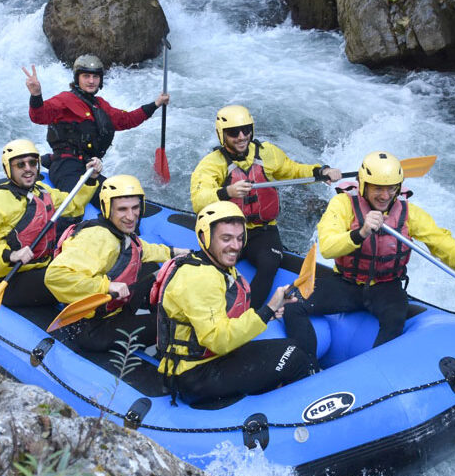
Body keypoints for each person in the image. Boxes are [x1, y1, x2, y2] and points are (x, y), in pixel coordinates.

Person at [284, 151, 455, 359]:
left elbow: (447, 247)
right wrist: (361, 232)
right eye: (378, 188)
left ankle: (375, 378)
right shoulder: (343, 204)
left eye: (391, 188)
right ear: (363, 185)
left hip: (386, 288)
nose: (385, 195)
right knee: (293, 303)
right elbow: (328, 247)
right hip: (346, 283)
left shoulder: (410, 214)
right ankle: (306, 366)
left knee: (394, 322)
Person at [152, 201, 313, 405]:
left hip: (213, 359)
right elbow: (218, 340)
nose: (236, 246)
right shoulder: (200, 278)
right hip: (194, 374)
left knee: (293, 347)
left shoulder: (217, 266)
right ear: (205, 237)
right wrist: (267, 310)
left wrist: (269, 313)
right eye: (226, 238)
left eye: (239, 238)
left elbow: (227, 317)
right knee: (294, 359)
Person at [189, 104, 342, 308]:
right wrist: (228, 192)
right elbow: (199, 199)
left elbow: (293, 171)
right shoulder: (211, 164)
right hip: (227, 228)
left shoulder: (266, 153)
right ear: (222, 135)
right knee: (211, 265)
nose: (242, 136)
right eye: (234, 132)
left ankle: (247, 315)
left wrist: (321, 171)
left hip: (262, 230)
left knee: (269, 263)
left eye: (247, 130)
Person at [44, 175, 189, 352]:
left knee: (150, 266)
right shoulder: (96, 238)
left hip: (116, 307)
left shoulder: (119, 233)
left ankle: (156, 312)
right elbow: (55, 276)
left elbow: (141, 249)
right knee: (171, 325)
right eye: (122, 209)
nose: (130, 216)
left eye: (135, 208)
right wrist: (107, 285)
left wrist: (175, 253)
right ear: (107, 208)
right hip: (93, 327)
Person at [0, 139, 102, 307]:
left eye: (32, 163)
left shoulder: (42, 191)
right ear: (8, 168)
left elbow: (73, 205)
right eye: (20, 165)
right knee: (71, 280)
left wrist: (90, 178)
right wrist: (11, 255)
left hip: (44, 265)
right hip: (11, 279)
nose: (28, 169)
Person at [23, 55, 169, 195]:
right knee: (74, 208)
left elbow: (128, 119)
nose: (91, 81)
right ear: (77, 78)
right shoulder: (65, 99)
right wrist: (36, 95)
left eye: (95, 76)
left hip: (89, 167)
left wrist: (156, 104)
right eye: (86, 76)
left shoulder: (101, 105)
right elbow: (39, 116)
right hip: (66, 166)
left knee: (116, 197)